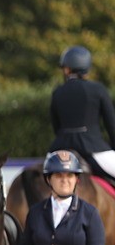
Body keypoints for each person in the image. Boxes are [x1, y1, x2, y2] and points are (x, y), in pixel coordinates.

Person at [48, 45, 115, 189]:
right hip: (94, 149)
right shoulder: (98, 89)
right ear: (87, 69)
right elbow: (112, 126)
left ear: (67, 69)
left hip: (61, 149)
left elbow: (56, 127)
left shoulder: (57, 92)